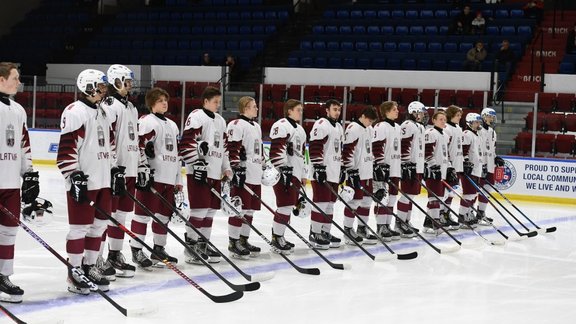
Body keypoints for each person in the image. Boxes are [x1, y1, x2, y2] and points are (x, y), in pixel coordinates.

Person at [58, 69, 118, 294]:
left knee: (99, 226)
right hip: (84, 181)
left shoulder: (103, 112)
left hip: (102, 180)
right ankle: (74, 272)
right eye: (100, 86)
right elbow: (66, 150)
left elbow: (110, 145)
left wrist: (114, 171)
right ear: (88, 87)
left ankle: (90, 266)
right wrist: (72, 175)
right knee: (79, 228)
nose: (104, 90)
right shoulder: (75, 111)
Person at [0, 62, 39, 303]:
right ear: (1, 79)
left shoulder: (18, 110)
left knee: (9, 233)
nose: (18, 81)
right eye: (14, 77)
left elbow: (24, 143)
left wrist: (30, 173)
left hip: (11, 183)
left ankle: (3, 276)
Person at [180, 86, 231, 264]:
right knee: (199, 210)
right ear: (206, 101)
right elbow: (187, 142)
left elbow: (224, 148)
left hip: (215, 172)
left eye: (219, 101)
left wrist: (227, 168)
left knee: (210, 212)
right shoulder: (196, 116)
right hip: (199, 173)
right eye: (215, 102)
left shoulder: (221, 121)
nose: (218, 105)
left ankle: (203, 243)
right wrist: (196, 163)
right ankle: (191, 245)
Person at [98, 64, 138, 279]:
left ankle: (115, 254)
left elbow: (136, 139)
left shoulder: (132, 107)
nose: (130, 85)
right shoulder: (110, 105)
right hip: (116, 170)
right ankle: (99, 257)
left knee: (121, 215)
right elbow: (107, 137)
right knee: (107, 216)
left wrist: (140, 166)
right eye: (127, 81)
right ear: (116, 82)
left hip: (129, 169)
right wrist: (114, 167)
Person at [268, 99, 308, 254]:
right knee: (284, 206)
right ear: (289, 110)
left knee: (289, 206)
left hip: (296, 174)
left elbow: (303, 154)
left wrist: (304, 174)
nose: (301, 112)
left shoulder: (301, 130)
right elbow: (276, 150)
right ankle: (276, 238)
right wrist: (283, 168)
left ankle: (280, 236)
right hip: (283, 174)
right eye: (298, 109)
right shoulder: (281, 125)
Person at [226, 96, 263, 259]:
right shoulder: (236, 125)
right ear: (245, 108)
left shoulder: (256, 126)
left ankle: (243, 239)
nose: (256, 109)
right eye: (253, 106)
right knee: (238, 210)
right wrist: (236, 168)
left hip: (255, 173)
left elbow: (258, 150)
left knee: (250, 211)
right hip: (243, 174)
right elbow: (232, 148)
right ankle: (233, 243)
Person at [308, 99, 345, 249]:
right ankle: (314, 233)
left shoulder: (339, 127)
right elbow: (315, 147)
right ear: (327, 110)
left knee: (330, 204)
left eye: (338, 109)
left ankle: (325, 232)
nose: (337, 112)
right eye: (334, 109)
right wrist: (319, 167)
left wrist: (342, 168)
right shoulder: (322, 124)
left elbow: (339, 150)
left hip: (334, 171)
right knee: (321, 203)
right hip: (322, 171)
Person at [341, 106, 378, 245]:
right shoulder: (353, 128)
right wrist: (350, 169)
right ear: (362, 116)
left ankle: (362, 228)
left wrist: (374, 165)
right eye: (369, 120)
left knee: (367, 202)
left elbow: (370, 150)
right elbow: (347, 151)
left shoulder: (369, 129)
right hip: (356, 172)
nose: (370, 123)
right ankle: (348, 230)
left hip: (367, 172)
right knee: (354, 202)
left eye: (372, 121)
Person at [372, 101, 402, 241]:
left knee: (392, 198)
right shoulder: (380, 126)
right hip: (384, 169)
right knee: (382, 198)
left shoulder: (398, 127)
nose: (397, 111)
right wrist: (379, 164)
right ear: (386, 112)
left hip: (395, 168)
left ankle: (387, 225)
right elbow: (377, 146)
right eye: (394, 109)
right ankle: (380, 226)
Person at [396, 101, 427, 238]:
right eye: (420, 113)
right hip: (410, 166)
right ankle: (400, 223)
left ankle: (406, 221)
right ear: (413, 113)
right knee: (406, 195)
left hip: (418, 166)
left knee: (412, 196)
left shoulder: (419, 126)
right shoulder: (407, 125)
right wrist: (405, 163)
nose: (422, 116)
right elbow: (404, 145)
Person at [423, 111, 450, 234]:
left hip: (442, 170)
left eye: (445, 119)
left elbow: (445, 154)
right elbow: (427, 152)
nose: (443, 121)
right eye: (440, 119)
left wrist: (449, 167)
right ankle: (436, 224)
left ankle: (427, 224)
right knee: (435, 198)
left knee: (439, 197)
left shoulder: (445, 134)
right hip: (432, 171)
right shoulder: (430, 133)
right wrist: (434, 166)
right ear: (433, 120)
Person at [476, 107, 502, 225]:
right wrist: (482, 164)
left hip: (490, 165)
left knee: (487, 190)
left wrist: (496, 157)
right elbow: (477, 149)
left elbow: (492, 148)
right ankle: (467, 214)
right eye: (489, 116)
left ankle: (481, 213)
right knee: (474, 191)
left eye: (493, 116)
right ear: (484, 116)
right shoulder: (479, 130)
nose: (491, 118)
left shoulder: (492, 132)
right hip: (481, 165)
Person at [459, 113, 484, 227]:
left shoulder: (477, 135)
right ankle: (462, 216)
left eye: (479, 122)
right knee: (468, 194)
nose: (478, 124)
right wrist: (466, 162)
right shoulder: (467, 134)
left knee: (474, 194)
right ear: (470, 123)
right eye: (476, 122)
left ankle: (469, 213)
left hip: (476, 169)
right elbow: (464, 150)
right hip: (469, 169)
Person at [441, 105, 464, 230]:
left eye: (460, 115)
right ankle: (439, 215)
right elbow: (445, 148)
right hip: (449, 166)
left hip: (457, 164)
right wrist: (449, 164)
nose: (460, 118)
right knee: (444, 193)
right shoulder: (447, 129)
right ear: (451, 115)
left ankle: (446, 213)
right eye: (457, 115)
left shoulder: (459, 128)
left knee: (451, 193)